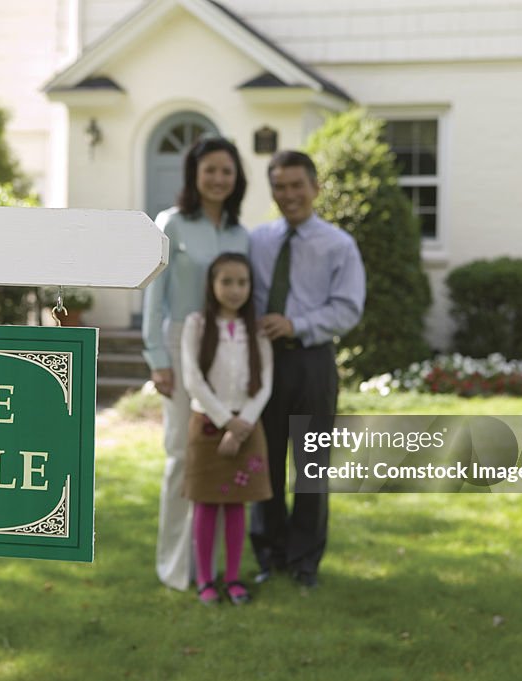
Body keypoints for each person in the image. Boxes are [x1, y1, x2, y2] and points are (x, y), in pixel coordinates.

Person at [248, 150, 366, 588]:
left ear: (316, 187)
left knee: (311, 465)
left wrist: (297, 324)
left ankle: (305, 563)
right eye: (280, 186)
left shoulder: (339, 245)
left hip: (312, 360)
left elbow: (348, 308)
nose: (289, 194)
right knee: (266, 463)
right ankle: (269, 554)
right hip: (264, 362)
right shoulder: (257, 241)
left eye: (297, 185)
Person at [141, 136, 250, 591]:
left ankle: (218, 567)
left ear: (236, 177)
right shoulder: (170, 224)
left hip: (227, 346)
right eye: (210, 170)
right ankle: (175, 568)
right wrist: (157, 357)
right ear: (194, 174)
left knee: (223, 453)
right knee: (181, 454)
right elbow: (154, 294)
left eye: (227, 171)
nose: (218, 179)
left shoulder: (240, 233)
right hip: (180, 342)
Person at [181, 252, 273, 605]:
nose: (235, 290)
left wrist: (243, 423)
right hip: (208, 424)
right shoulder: (197, 325)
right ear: (212, 285)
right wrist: (226, 421)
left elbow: (265, 383)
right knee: (205, 503)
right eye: (227, 282)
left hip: (248, 425)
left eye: (242, 282)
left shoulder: (258, 330)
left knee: (237, 504)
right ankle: (206, 580)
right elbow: (193, 379)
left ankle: (233, 578)